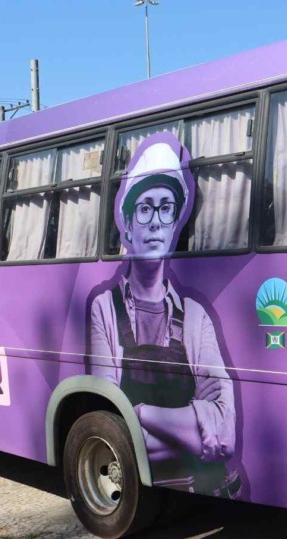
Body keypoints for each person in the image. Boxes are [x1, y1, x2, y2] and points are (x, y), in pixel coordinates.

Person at [89, 132, 240, 498]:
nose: (156, 221)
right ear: (128, 223)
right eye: (145, 208)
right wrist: (192, 428)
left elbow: (224, 434)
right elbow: (109, 426)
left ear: (174, 224)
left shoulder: (195, 318)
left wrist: (141, 414)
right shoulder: (104, 309)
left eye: (166, 208)